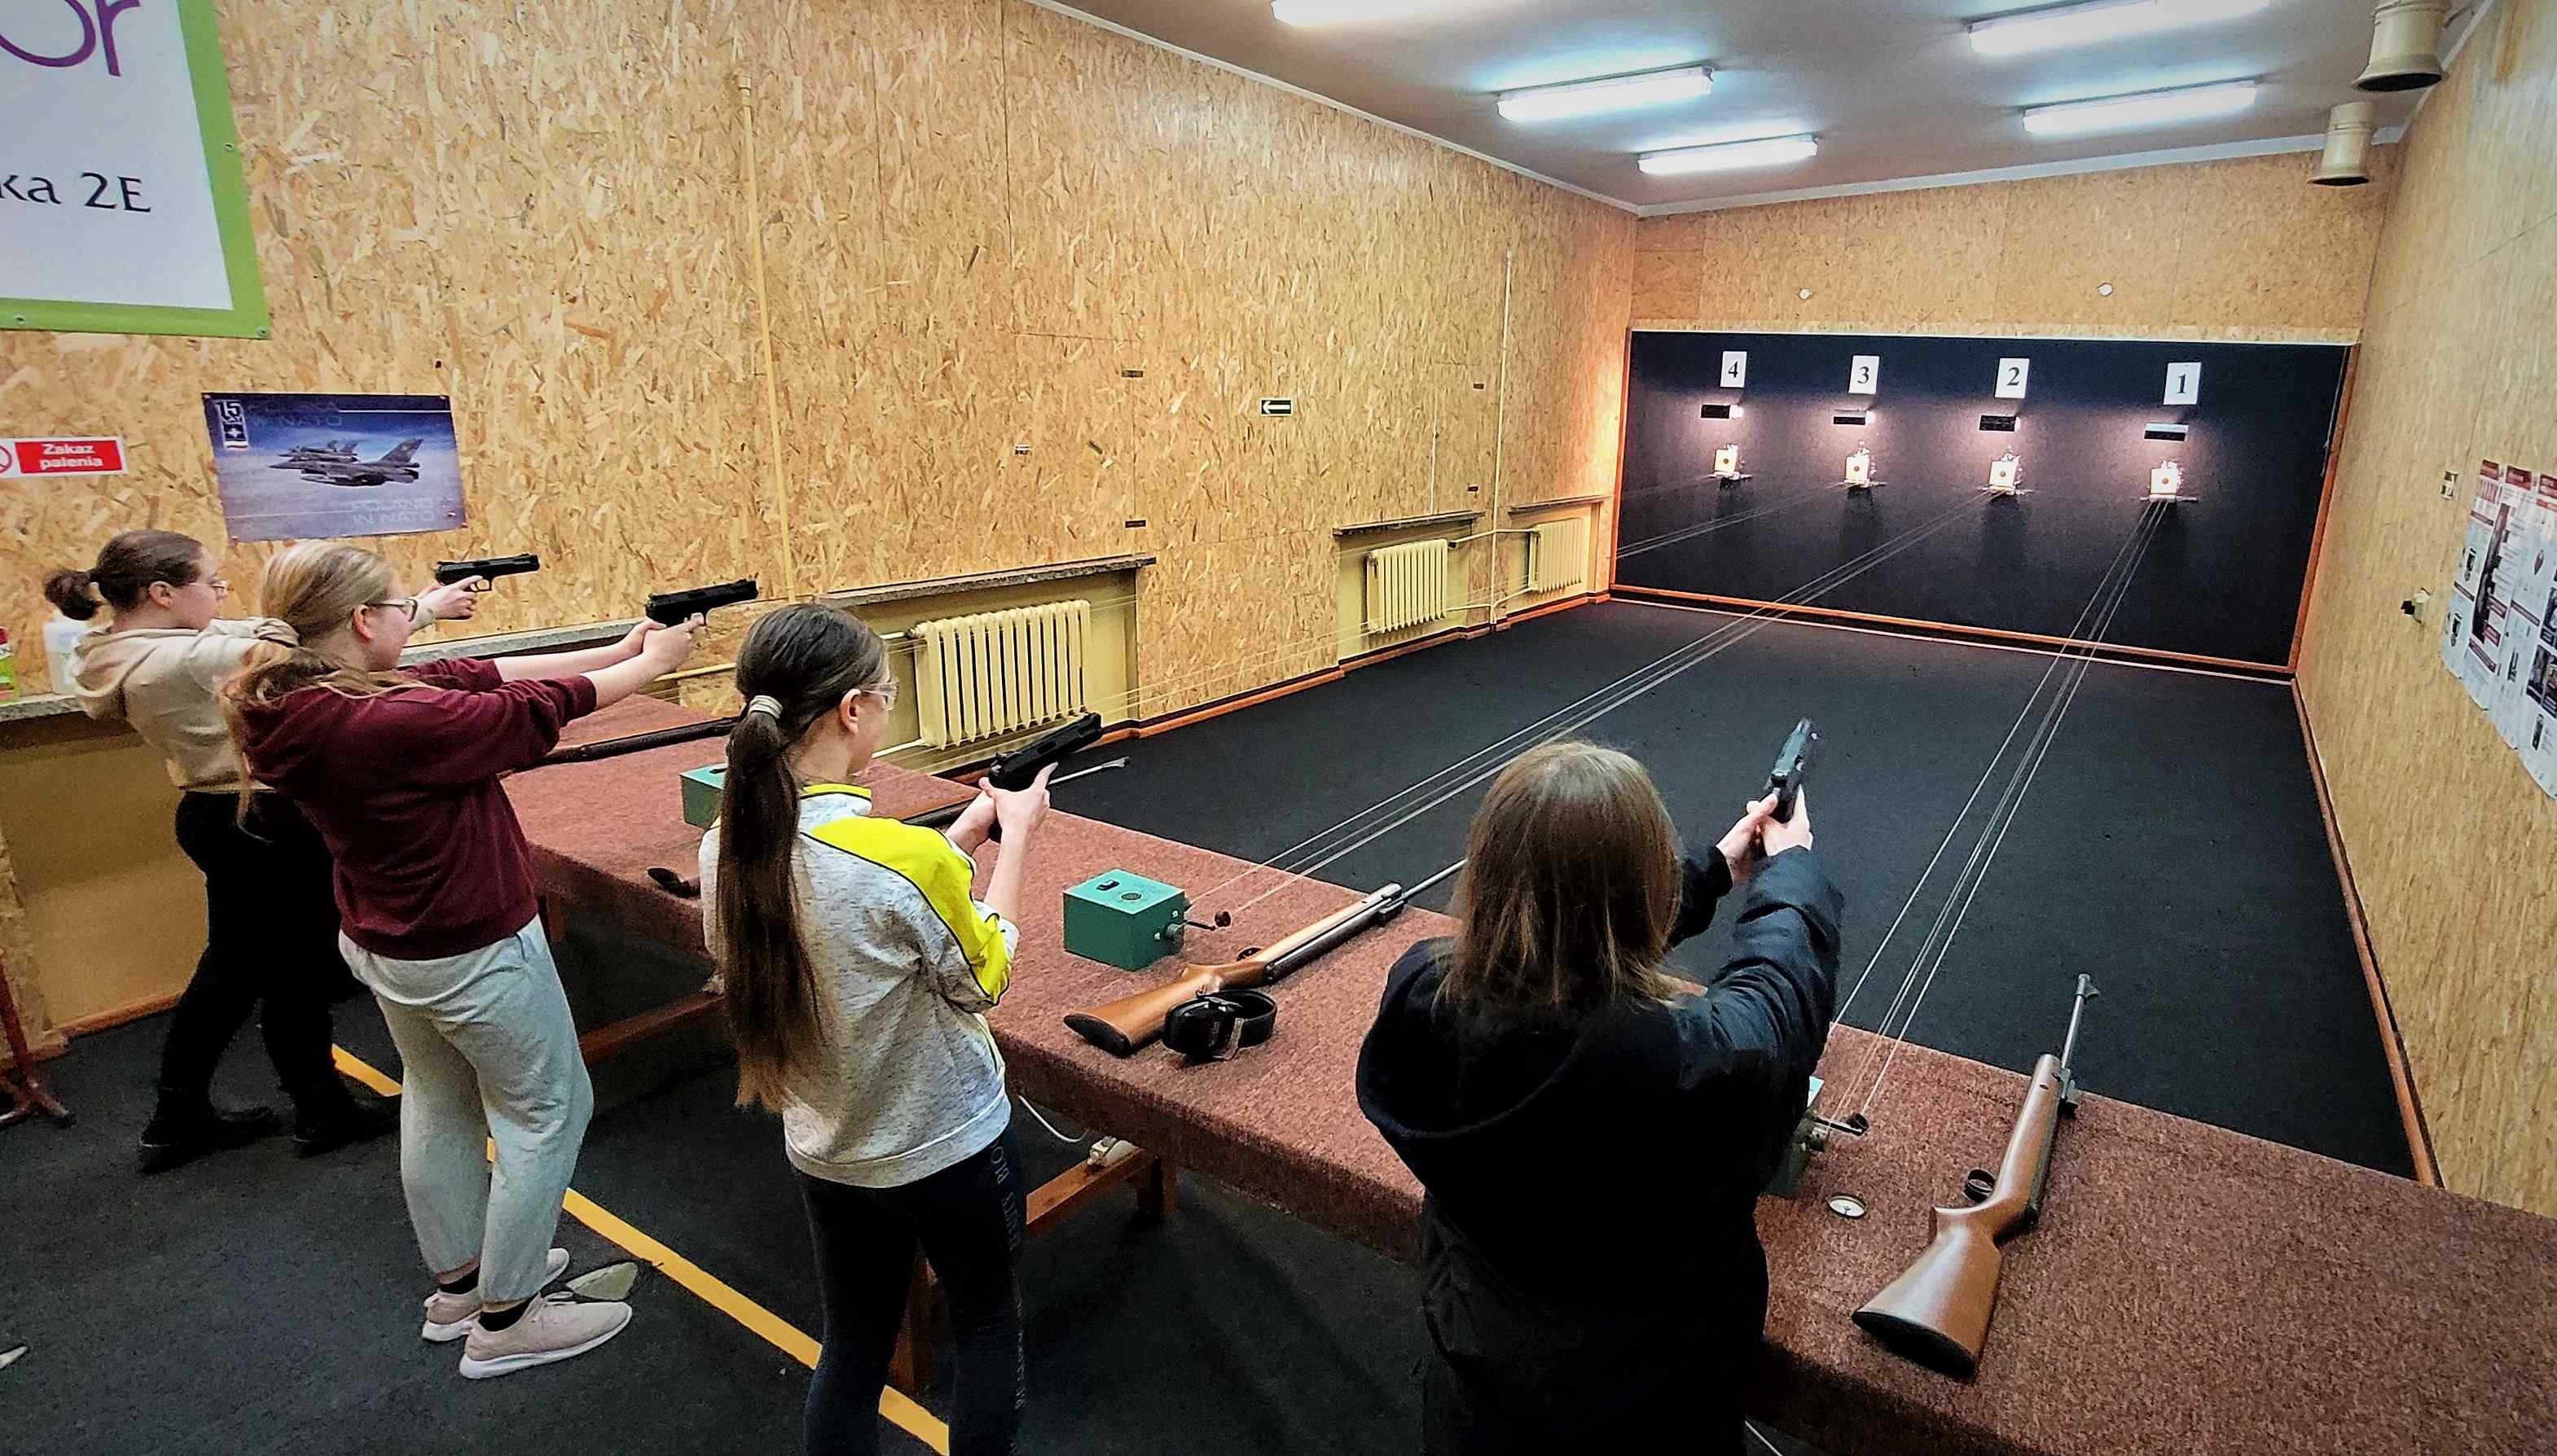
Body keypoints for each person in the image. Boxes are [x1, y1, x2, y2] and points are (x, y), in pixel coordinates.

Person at [222, 542, 700, 1379]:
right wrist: (654, 664)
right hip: (469, 945)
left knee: (440, 1100)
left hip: (389, 941)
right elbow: (529, 710)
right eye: (400, 608)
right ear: (362, 620)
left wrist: (622, 649)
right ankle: (508, 1320)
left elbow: (476, 674)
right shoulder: (384, 720)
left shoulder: (304, 698)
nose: (413, 618)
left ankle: (462, 1288)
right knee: (547, 1113)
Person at [1355, 740, 1843, 1456]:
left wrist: (1712, 870)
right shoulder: (1685, 1063)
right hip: (1657, 1418)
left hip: (1479, 1399)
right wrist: (1791, 865)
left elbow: (1558, 935)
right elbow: (1779, 994)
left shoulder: (1421, 992)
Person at [699, 603, 1049, 1456]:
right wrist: (1016, 840)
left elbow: (864, 906)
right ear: (852, 709)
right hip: (948, 1148)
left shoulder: (728, 844)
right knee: (987, 1327)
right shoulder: (901, 858)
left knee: (853, 1346)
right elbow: (985, 977)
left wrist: (961, 836)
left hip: (828, 1151)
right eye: (886, 693)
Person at [51, 529, 478, 1173]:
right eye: (211, 583)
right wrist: (415, 610)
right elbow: (315, 646)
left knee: (234, 971)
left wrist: (412, 606)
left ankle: (180, 1115)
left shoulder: (122, 649)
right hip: (262, 819)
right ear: (161, 593)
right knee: (295, 971)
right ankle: (318, 1109)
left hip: (219, 815)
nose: (220, 595)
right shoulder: (188, 658)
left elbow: (261, 629)